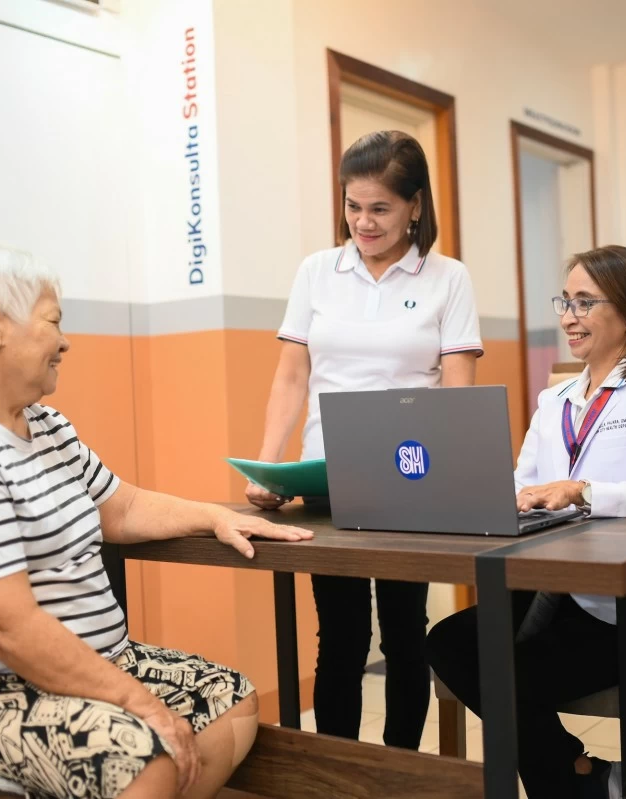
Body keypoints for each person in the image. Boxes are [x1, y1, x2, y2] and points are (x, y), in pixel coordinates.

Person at [0, 243, 313, 799]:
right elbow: (3, 627)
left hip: (72, 666)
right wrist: (137, 702)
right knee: (142, 758)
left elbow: (119, 507)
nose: (65, 341)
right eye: (54, 321)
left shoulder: (45, 425)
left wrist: (217, 518)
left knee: (230, 703)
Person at [425, 245, 626, 798]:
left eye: (585, 302)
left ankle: (571, 782)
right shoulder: (553, 399)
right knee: (448, 643)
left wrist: (582, 491)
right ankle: (579, 775)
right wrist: (492, 498)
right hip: (553, 596)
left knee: (506, 676)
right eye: (566, 301)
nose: (568, 316)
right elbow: (521, 484)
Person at [246, 130, 483, 749]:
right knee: (341, 636)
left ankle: (400, 770)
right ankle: (340, 774)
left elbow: (458, 389)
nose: (364, 222)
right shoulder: (318, 271)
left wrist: (459, 481)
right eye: (353, 206)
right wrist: (267, 469)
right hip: (329, 479)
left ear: (415, 206)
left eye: (380, 208)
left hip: (411, 479)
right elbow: (292, 376)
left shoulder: (447, 278)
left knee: (405, 631)